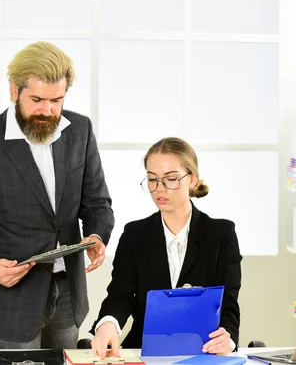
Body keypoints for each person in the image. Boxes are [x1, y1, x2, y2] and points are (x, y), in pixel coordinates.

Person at [0, 41, 115, 349]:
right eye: (37, 99)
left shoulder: (81, 131)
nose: (47, 110)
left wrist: (97, 236)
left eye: (56, 100)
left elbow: (97, 203)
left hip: (69, 295)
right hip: (13, 299)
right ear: (14, 90)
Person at [90, 137, 242, 358]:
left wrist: (228, 338)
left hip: (204, 351)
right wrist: (107, 325)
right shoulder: (135, 234)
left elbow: (228, 301)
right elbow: (120, 295)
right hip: (144, 352)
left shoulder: (221, 234)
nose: (159, 189)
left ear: (192, 180)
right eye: (152, 179)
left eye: (171, 179)